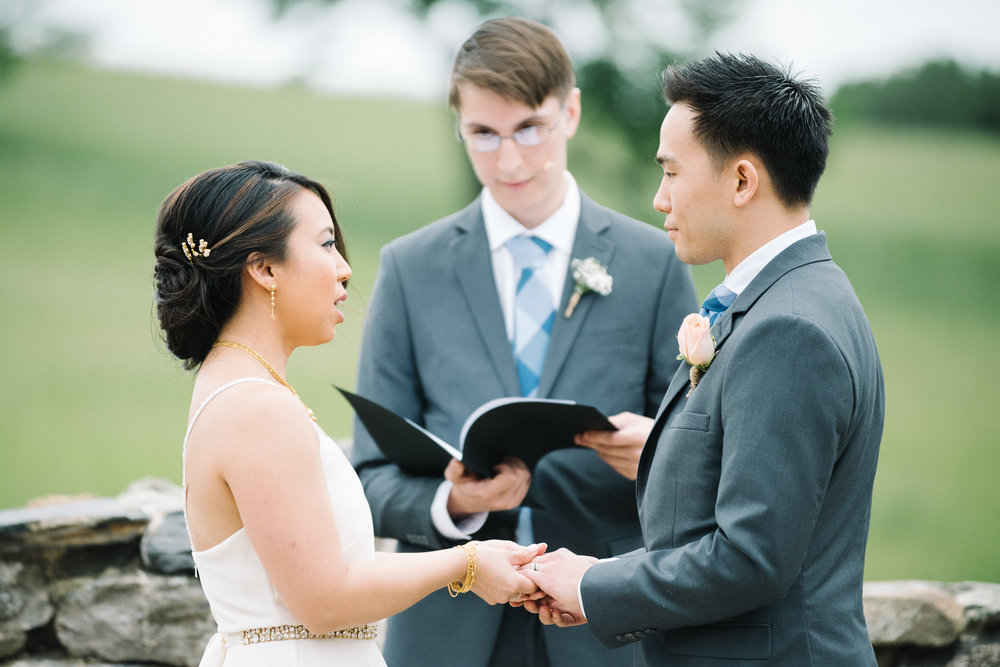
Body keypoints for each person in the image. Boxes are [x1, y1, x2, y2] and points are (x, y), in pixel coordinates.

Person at [350, 17, 698, 667]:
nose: (508, 161)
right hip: (448, 625)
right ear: (460, 127)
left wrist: (656, 449)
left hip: (606, 624)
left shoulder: (653, 262)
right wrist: (453, 503)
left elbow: (702, 450)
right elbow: (369, 476)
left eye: (529, 129)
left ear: (570, 111)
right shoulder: (410, 268)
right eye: (483, 134)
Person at [521, 53, 886, 665]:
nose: (658, 198)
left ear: (743, 181)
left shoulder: (788, 328)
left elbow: (749, 559)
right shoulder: (797, 294)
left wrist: (591, 583)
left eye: (670, 172)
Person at [152, 160, 545, 666]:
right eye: (325, 244)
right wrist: (466, 562)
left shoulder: (236, 388)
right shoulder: (255, 406)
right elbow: (324, 600)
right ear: (264, 269)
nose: (344, 267)